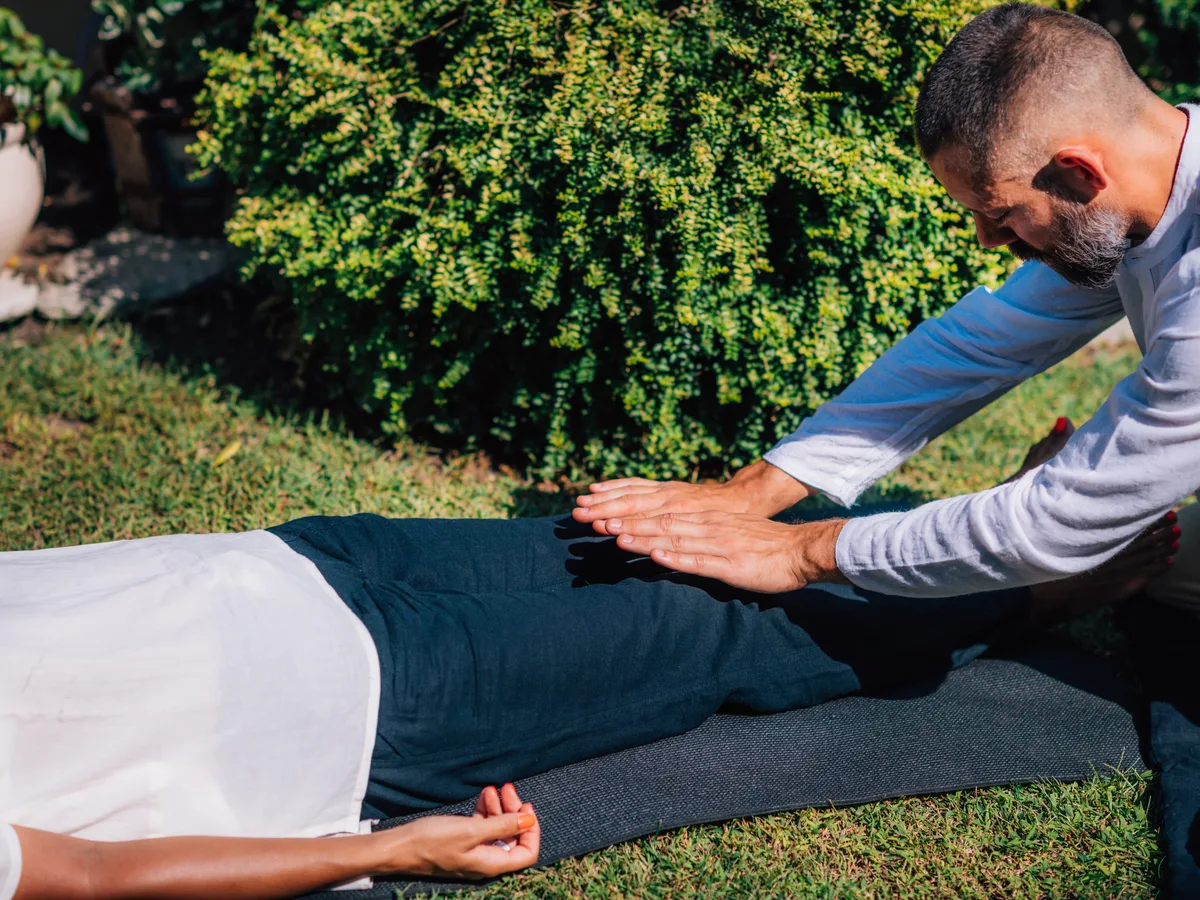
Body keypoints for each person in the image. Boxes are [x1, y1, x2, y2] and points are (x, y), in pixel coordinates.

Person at [0, 427, 1175, 900]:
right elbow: (83, 877)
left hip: (281, 565)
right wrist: (383, 848)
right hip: (362, 704)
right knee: (726, 627)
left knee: (627, 542)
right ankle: (1047, 581)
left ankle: (999, 544)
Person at [572, 3, 1200, 602]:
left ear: (1081, 173)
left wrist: (802, 552)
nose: (990, 241)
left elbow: (1057, 517)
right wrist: (751, 492)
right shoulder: (1128, 205)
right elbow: (983, 341)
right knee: (1156, 570)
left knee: (1110, 557)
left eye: (1000, 214)